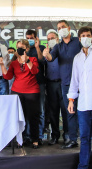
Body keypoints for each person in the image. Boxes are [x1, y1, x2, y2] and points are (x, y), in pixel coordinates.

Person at [43, 20, 82, 149]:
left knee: (85, 110)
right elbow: (50, 58)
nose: (61, 29)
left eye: (63, 27)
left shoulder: (78, 41)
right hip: (66, 84)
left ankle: (84, 136)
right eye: (59, 28)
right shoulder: (58, 47)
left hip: (82, 83)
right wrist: (46, 54)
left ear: (69, 28)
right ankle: (72, 139)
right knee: (69, 111)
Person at [0, 39, 40, 149]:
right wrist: (2, 65)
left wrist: (27, 61)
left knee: (33, 117)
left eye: (22, 47)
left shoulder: (33, 59)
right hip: (16, 92)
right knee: (18, 117)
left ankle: (35, 139)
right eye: (18, 48)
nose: (19, 49)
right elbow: (8, 77)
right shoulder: (14, 63)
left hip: (32, 91)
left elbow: (35, 71)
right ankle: (20, 139)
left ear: (27, 48)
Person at [67, 26, 92, 169]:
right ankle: (83, 166)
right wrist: (71, 100)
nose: (85, 38)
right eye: (83, 35)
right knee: (84, 137)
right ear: (79, 38)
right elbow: (74, 81)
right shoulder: (77, 58)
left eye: (88, 35)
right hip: (83, 104)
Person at [45, 31, 68, 145]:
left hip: (63, 83)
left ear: (58, 39)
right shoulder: (47, 52)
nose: (50, 40)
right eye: (48, 39)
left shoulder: (63, 49)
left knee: (65, 111)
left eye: (52, 38)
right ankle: (54, 136)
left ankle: (67, 135)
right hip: (50, 84)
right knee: (53, 112)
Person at [25, 29, 46, 145]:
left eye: (31, 38)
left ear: (36, 38)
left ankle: (40, 136)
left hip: (40, 82)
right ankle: (29, 136)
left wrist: (37, 48)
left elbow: (41, 61)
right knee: (29, 112)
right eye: (27, 38)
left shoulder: (41, 48)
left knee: (41, 111)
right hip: (28, 85)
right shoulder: (25, 50)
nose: (29, 40)